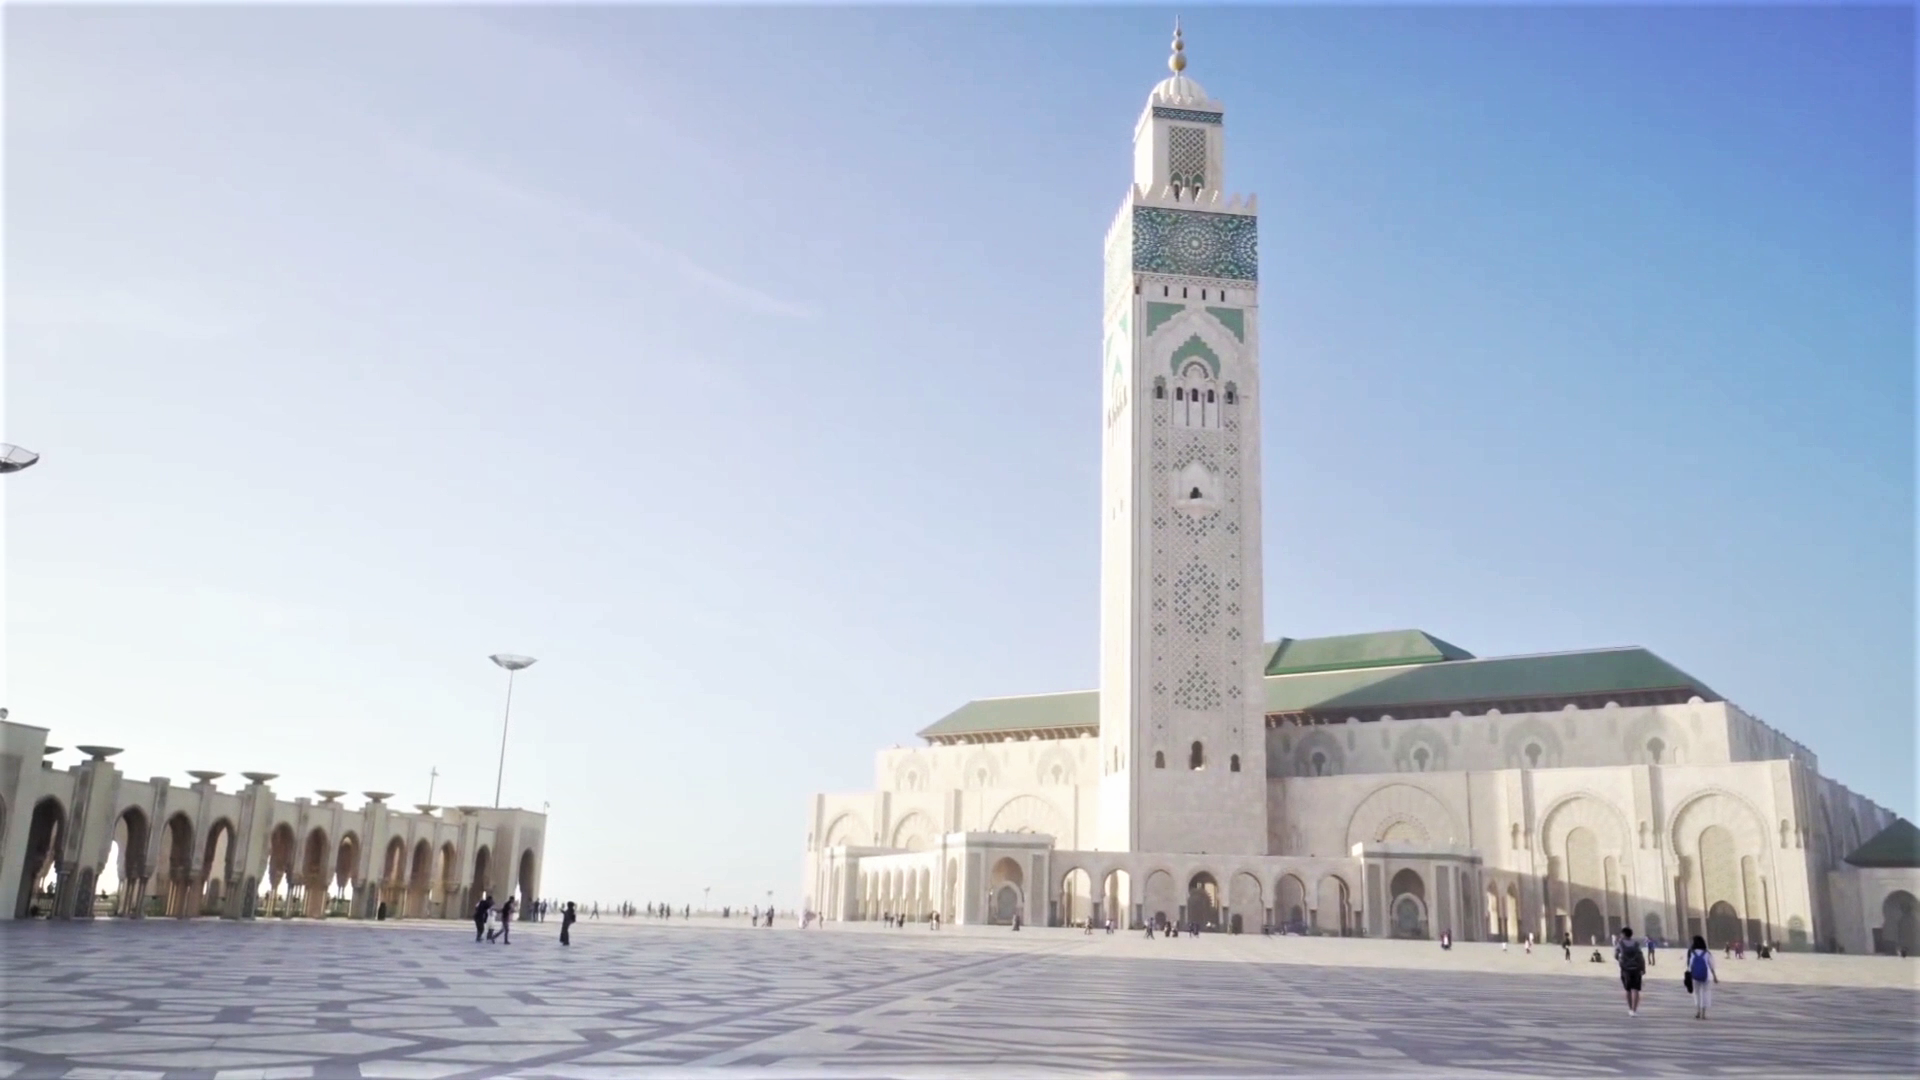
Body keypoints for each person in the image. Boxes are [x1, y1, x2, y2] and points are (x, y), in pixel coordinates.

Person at [1615, 926, 1646, 1016]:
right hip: (1636, 968)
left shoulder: (1620, 943)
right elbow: (1641, 956)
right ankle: (1634, 1010)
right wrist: (1643, 968)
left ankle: (1630, 1009)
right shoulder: (1636, 943)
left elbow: (1616, 955)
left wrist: (1621, 961)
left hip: (1625, 969)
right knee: (1635, 989)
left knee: (1628, 989)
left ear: (1623, 934)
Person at [1686, 935, 1719, 1019]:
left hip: (1695, 976)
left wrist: (1688, 976)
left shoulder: (1692, 952)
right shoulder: (1707, 953)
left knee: (1697, 994)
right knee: (1705, 993)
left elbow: (1690, 966)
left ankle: (1698, 1012)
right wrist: (1715, 976)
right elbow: (1712, 965)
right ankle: (1703, 1014)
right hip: (1706, 976)